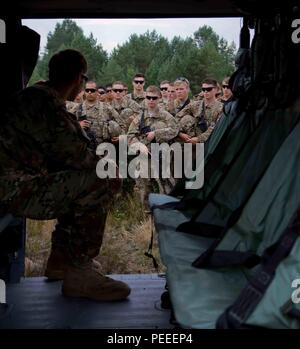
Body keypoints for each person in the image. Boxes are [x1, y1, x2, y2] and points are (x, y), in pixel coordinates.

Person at [0, 49, 130, 301]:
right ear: (79, 78)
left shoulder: (35, 97)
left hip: (13, 184)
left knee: (76, 179)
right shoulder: (45, 104)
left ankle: (61, 262)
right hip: (13, 189)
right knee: (103, 178)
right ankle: (79, 273)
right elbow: (76, 154)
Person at [127, 85, 179, 204]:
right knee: (144, 186)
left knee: (165, 186)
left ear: (159, 98)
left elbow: (175, 129)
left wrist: (156, 133)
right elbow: (130, 136)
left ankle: (166, 211)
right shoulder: (140, 118)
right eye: (148, 97)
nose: (151, 100)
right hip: (145, 156)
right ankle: (148, 215)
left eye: (154, 98)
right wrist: (140, 146)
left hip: (162, 155)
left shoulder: (165, 116)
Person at [175, 78, 223, 144]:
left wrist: (198, 139)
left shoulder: (221, 107)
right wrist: (180, 134)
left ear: (216, 90)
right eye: (203, 89)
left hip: (212, 141)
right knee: (186, 118)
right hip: (192, 139)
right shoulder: (195, 104)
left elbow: (216, 128)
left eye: (209, 89)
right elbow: (177, 117)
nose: (205, 91)